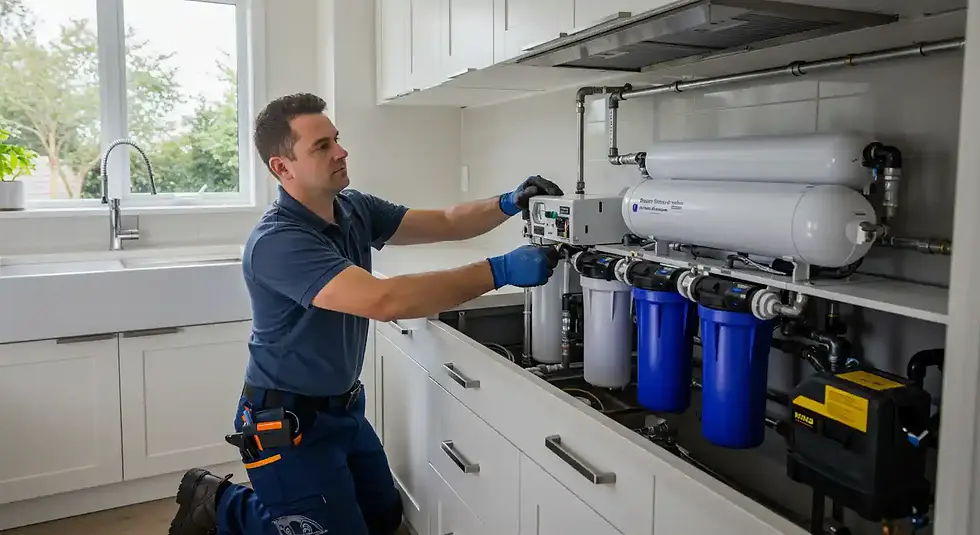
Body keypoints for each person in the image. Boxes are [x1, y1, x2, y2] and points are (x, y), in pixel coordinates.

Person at [167, 92, 563, 535]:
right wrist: (500, 270)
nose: (341, 151)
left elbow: (447, 221)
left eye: (336, 139)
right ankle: (221, 503)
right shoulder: (279, 241)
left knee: (382, 518)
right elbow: (383, 301)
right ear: (283, 168)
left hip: (345, 410)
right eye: (322, 146)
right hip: (289, 425)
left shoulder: (353, 208)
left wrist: (509, 202)